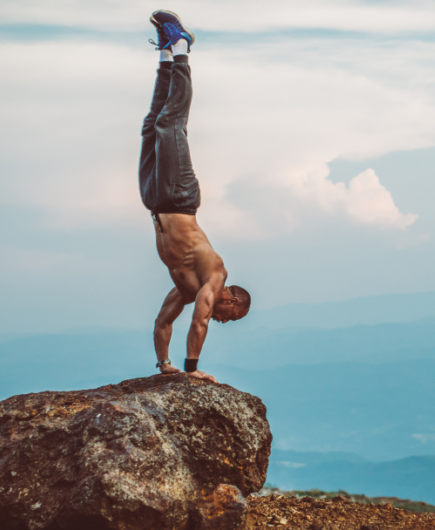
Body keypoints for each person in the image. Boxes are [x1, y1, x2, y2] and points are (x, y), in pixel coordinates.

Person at [139, 10, 251, 384]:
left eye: (224, 320)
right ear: (231, 300)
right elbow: (200, 319)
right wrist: (191, 370)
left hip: (156, 202)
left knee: (152, 126)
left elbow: (162, 321)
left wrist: (164, 365)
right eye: (228, 316)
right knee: (171, 125)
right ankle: (184, 45)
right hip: (179, 197)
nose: (221, 320)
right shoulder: (215, 276)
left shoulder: (186, 288)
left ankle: (166, 55)